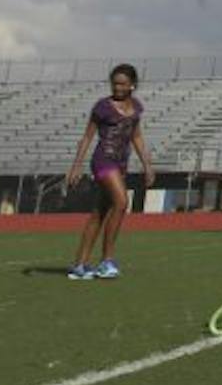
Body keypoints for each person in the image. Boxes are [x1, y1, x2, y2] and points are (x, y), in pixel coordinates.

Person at [65, 64, 156, 280]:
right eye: (115, 83)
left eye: (123, 83)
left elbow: (136, 137)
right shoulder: (102, 107)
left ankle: (79, 265)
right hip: (103, 161)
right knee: (122, 202)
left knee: (101, 212)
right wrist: (76, 166)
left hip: (121, 163)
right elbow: (87, 137)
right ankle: (106, 261)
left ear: (133, 85)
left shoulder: (136, 107)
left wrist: (147, 165)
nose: (118, 87)